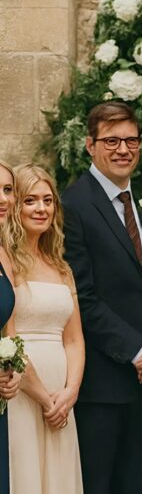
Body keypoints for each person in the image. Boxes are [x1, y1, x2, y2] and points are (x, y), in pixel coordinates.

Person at [61, 102, 142, 494]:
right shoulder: (72, 206)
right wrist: (138, 350)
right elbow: (82, 297)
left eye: (131, 140)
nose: (123, 149)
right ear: (90, 145)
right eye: (111, 140)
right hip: (101, 386)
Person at [5, 164, 83, 493]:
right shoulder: (6, 261)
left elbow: (75, 339)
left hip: (60, 399)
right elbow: (7, 338)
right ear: (16, 206)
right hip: (22, 391)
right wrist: (43, 399)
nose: (41, 209)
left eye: (48, 200)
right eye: (31, 200)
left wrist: (70, 393)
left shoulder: (61, 267)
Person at [0, 160, 22, 494]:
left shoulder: (4, 254)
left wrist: (14, 366)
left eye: (7, 190)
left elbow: (9, 328)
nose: (4, 198)